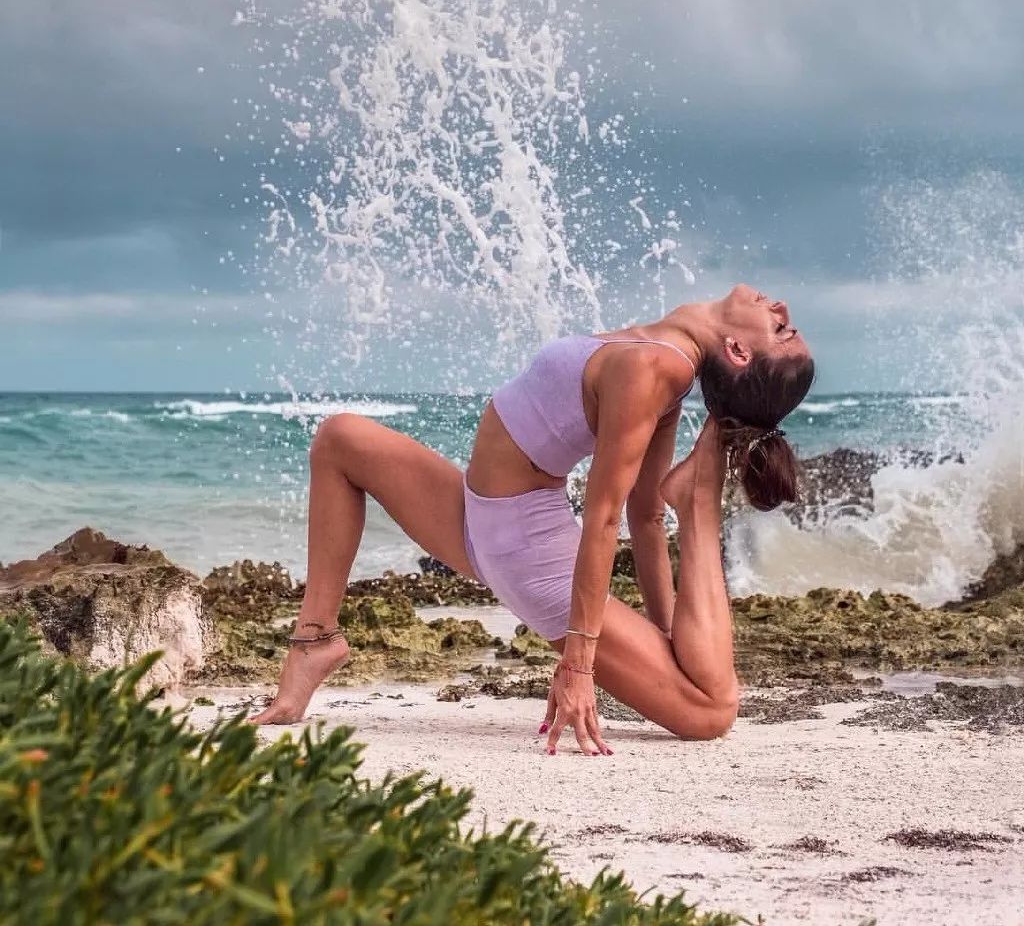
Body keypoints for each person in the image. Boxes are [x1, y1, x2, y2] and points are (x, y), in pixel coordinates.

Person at [251, 284, 814, 755]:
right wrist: (666, 643)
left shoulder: (656, 367)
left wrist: (579, 665)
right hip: (477, 517)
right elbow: (643, 517)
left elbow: (610, 519)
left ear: (738, 351)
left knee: (712, 710)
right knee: (339, 440)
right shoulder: (662, 352)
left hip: (526, 553)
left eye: (782, 330)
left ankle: (698, 499)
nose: (782, 308)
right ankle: (314, 641)